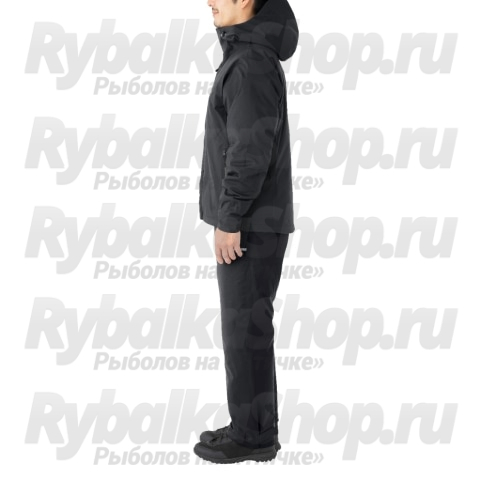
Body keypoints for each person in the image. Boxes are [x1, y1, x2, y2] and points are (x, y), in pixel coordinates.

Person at [194, 0, 298, 464]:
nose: (209, 1)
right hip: (255, 220)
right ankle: (253, 427)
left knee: (245, 331)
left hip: (250, 224)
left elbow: (249, 151)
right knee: (246, 329)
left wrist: (229, 218)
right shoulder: (247, 56)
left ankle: (253, 436)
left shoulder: (250, 62)